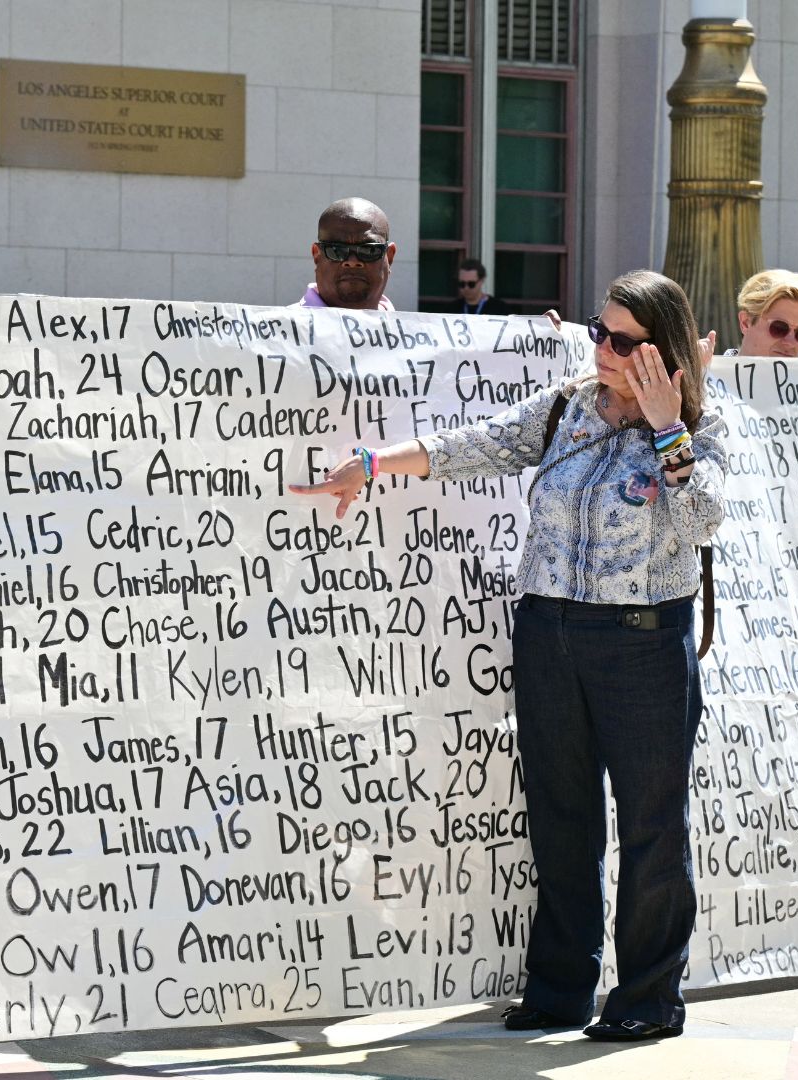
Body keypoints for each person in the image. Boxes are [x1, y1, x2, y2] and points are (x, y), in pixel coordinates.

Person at [292, 270, 723, 1043]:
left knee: (654, 822)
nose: (604, 349)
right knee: (562, 814)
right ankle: (560, 989)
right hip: (548, 631)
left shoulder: (701, 424)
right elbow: (480, 444)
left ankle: (649, 998)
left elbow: (705, 522)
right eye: (600, 330)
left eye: (623, 340)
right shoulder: (567, 406)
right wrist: (374, 463)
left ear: (662, 348)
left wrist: (668, 429)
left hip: (642, 640)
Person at [297, 198, 395, 310]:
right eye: (336, 250)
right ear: (317, 255)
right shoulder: (282, 325)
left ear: (390, 256)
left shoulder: (412, 327)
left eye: (369, 250)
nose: (352, 262)